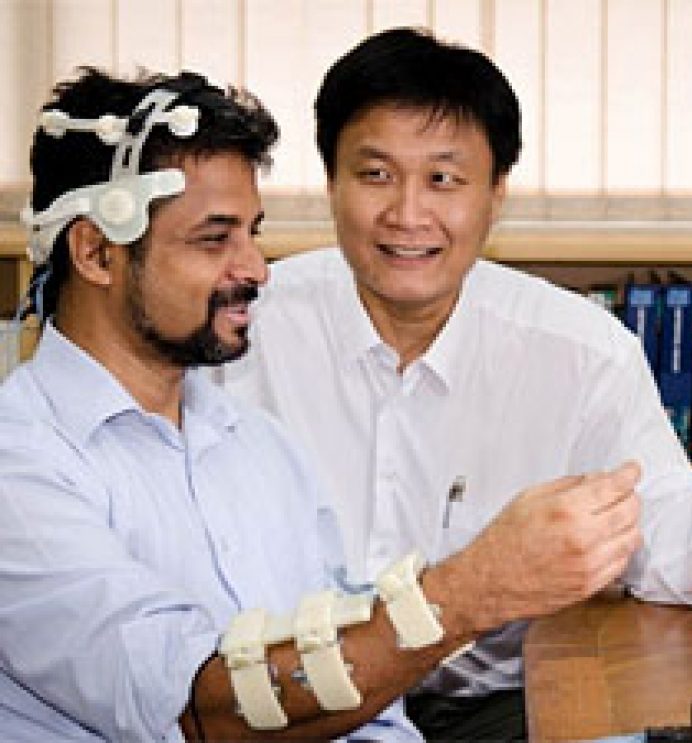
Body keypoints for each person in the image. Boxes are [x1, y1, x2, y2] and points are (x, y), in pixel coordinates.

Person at [213, 26, 692, 743]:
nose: (407, 214)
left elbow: (667, 542)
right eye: (375, 175)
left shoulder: (579, 351)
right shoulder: (236, 333)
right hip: (286, 713)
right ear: (331, 183)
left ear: (496, 193)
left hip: (490, 709)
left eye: (443, 180)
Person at [0, 67, 644, 743]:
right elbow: (209, 713)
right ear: (97, 252)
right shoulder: (21, 467)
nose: (256, 269)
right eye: (215, 239)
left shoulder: (255, 443)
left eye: (252, 233)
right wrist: (473, 591)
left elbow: (352, 684)